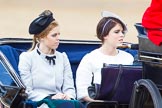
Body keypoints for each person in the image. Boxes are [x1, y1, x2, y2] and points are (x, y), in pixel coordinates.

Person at [18, 10, 76, 107]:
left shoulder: (63, 57)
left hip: (63, 103)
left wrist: (68, 96)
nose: (58, 38)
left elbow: (69, 88)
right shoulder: (27, 58)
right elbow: (27, 91)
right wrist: (50, 97)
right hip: (39, 103)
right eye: (54, 35)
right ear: (41, 38)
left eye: (59, 34)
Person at [76, 11, 134, 103]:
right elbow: (82, 92)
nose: (122, 35)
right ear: (105, 35)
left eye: (122, 32)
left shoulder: (128, 58)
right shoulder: (90, 59)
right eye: (116, 32)